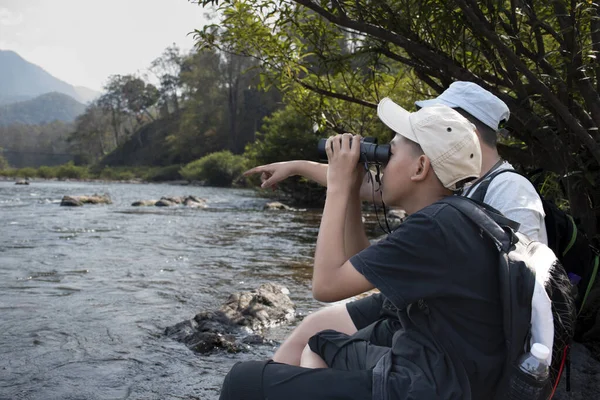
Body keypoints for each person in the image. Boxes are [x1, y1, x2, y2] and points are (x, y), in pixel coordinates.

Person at [244, 81, 548, 366]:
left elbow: (525, 290)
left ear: (462, 127)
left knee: (318, 349)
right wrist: (299, 166)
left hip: (460, 329)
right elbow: (360, 183)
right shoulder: (441, 181)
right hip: (426, 300)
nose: (425, 118)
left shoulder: (510, 192)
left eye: (434, 115)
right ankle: (271, 380)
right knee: (313, 326)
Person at [219, 101, 505, 399]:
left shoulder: (433, 229)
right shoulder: (452, 217)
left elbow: (325, 286)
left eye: (389, 153)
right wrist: (352, 188)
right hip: (442, 371)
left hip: (428, 386)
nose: (380, 164)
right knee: (319, 342)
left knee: (241, 380)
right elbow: (357, 263)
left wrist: (339, 186)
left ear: (420, 167)